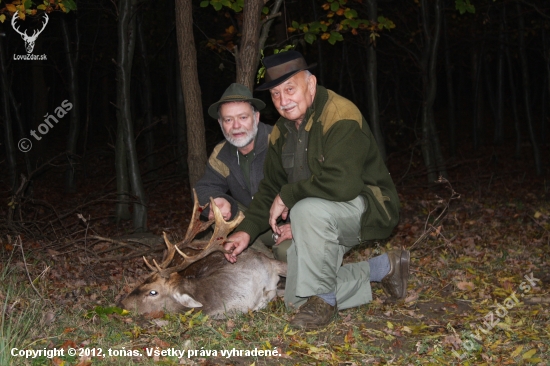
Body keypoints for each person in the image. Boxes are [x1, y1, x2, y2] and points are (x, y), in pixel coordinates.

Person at [223, 51, 409, 330]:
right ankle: (383, 268)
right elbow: (270, 187)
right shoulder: (281, 132)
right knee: (297, 299)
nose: (283, 101)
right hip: (322, 214)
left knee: (306, 211)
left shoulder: (340, 115)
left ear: (311, 85)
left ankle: (324, 299)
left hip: (369, 207)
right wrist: (245, 231)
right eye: (275, 94)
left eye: (289, 89)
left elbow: (342, 183)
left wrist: (290, 199)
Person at [194, 83, 291, 260]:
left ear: (256, 117)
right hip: (253, 219)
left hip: (287, 221)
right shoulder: (221, 154)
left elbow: (305, 183)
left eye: (243, 117)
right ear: (220, 123)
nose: (236, 126)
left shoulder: (280, 142)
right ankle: (252, 251)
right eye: (228, 120)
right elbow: (204, 186)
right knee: (213, 233)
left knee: (287, 254)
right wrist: (216, 201)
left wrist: (299, 224)